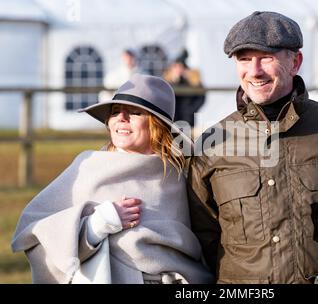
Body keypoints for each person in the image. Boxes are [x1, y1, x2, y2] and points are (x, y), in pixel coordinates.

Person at [187, 11, 318, 284]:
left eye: (266, 57)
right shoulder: (212, 144)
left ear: (295, 62)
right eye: (245, 59)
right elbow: (204, 233)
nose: (255, 71)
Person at [11, 74, 213, 284]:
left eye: (135, 112)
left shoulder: (177, 177)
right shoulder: (89, 166)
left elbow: (198, 242)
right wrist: (97, 225)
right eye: (115, 112)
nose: (122, 118)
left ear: (157, 126)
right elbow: (38, 230)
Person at [163, 49, 205, 127]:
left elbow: (201, 96)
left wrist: (191, 110)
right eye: (175, 66)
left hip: (188, 119)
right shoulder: (167, 81)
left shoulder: (191, 80)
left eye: (180, 66)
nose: (178, 69)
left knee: (187, 137)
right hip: (172, 118)